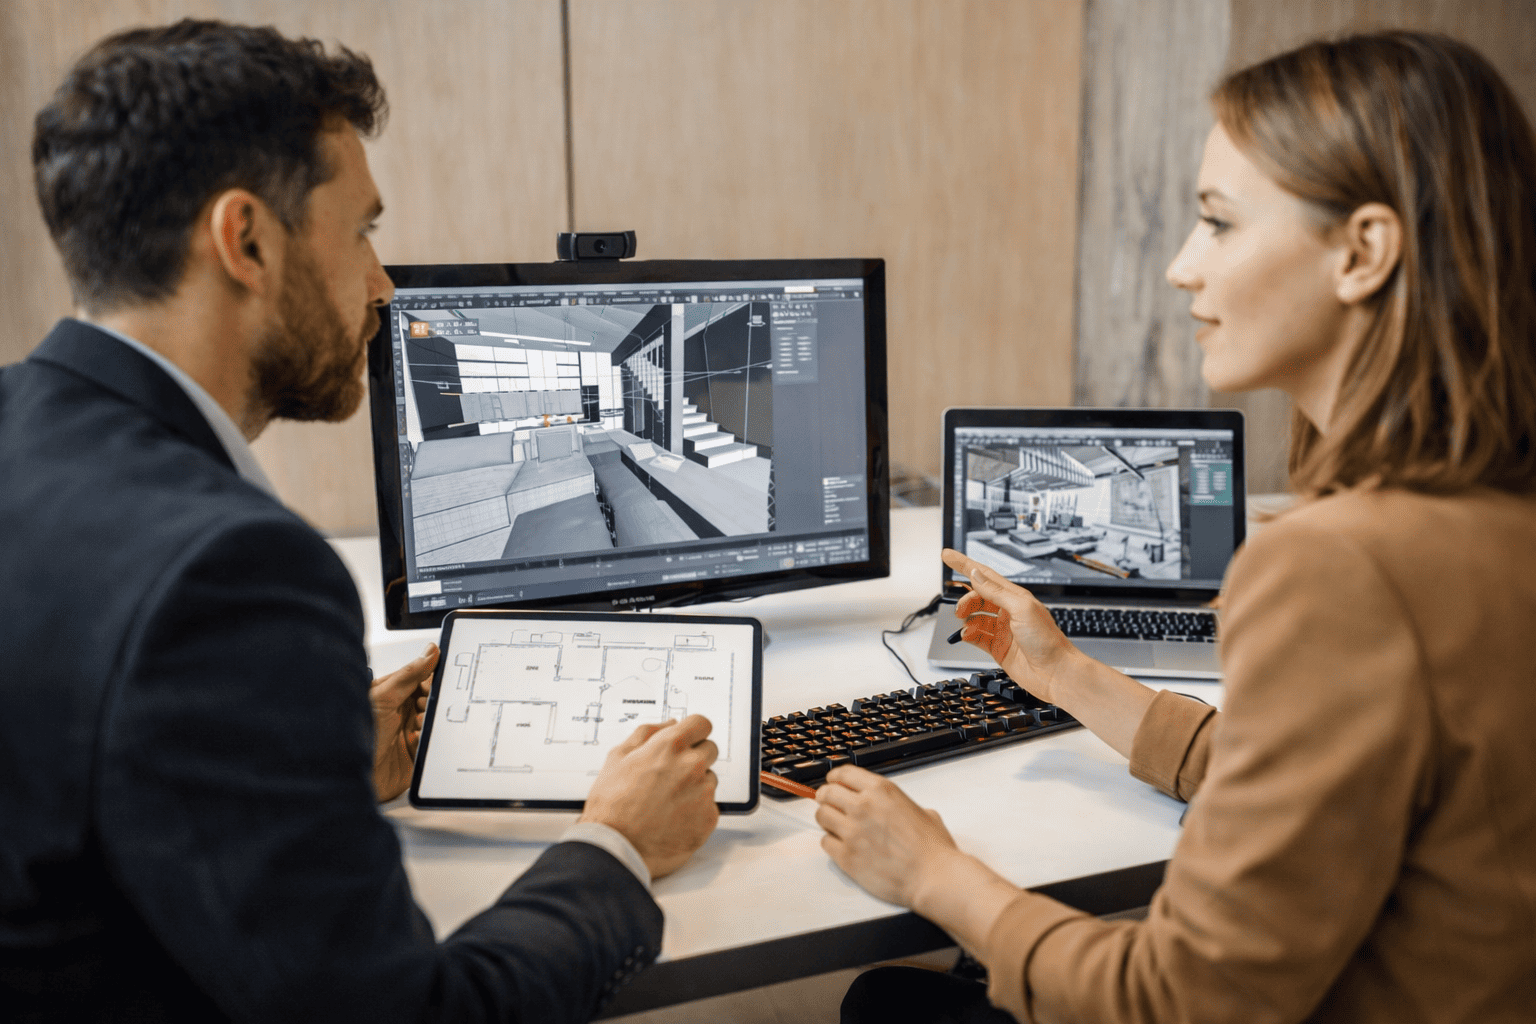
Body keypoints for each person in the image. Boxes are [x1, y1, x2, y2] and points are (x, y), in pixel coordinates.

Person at [0, 20, 719, 1023]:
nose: (384, 286)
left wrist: (313, 745)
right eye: (364, 232)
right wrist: (616, 843)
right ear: (246, 239)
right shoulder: (229, 570)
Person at [816, 31, 1536, 1024]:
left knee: (889, 1002)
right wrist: (1065, 674)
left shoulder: (1339, 567)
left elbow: (1178, 1000)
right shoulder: (1493, 512)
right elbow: (1319, 779)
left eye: (1218, 223)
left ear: (1364, 251)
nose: (1180, 269)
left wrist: (937, 873)